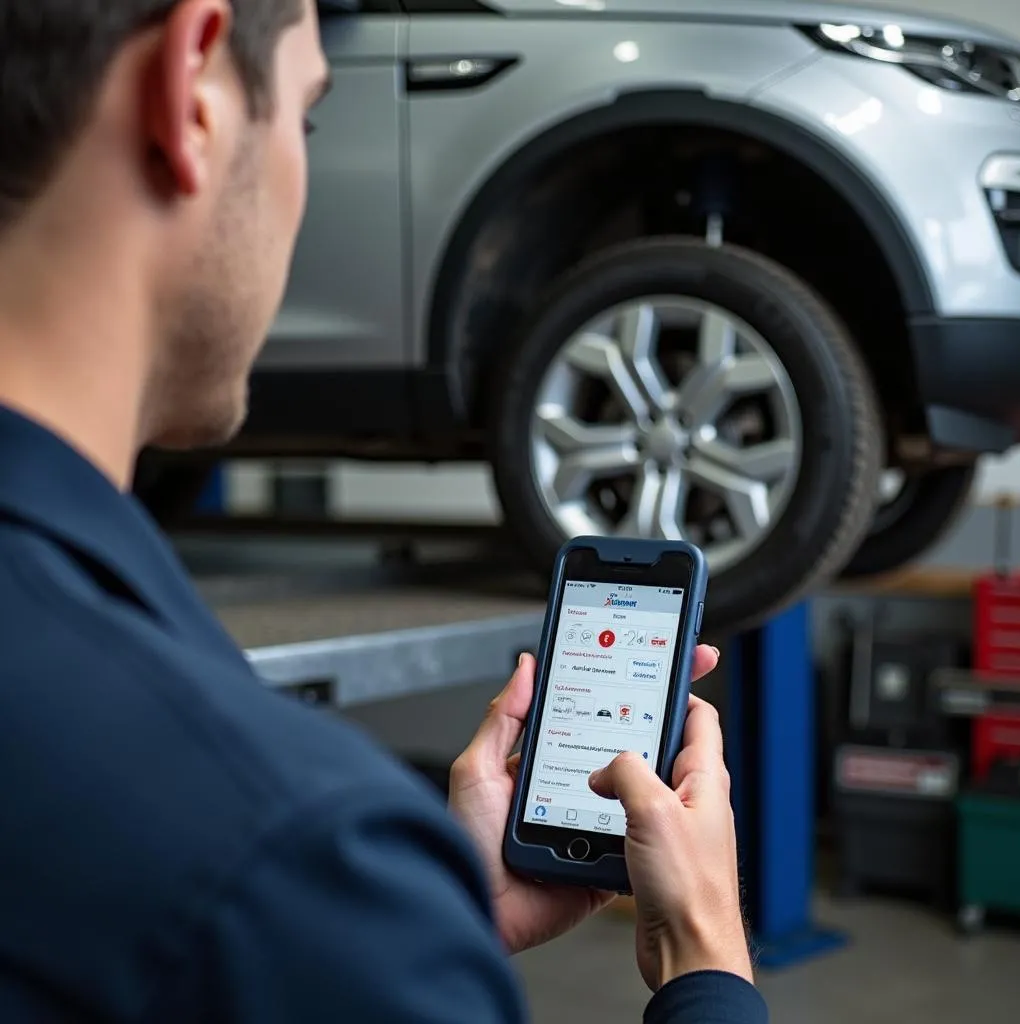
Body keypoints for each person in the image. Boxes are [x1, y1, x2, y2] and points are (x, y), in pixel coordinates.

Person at [0, 2, 768, 1021]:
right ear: (191, 93)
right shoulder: (292, 856)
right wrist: (704, 962)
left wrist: (429, 930)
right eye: (307, 118)